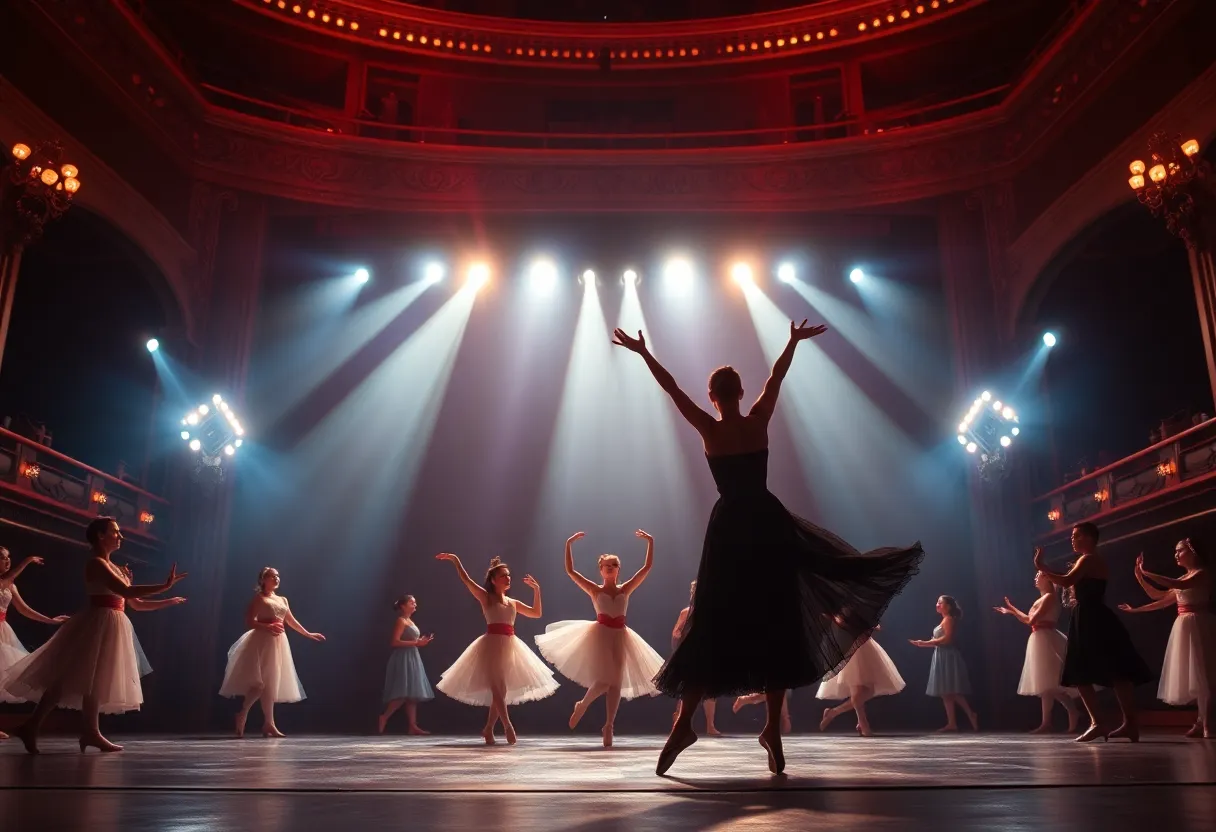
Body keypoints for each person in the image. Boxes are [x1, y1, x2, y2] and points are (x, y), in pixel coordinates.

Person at [613, 321, 924, 775]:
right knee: (777, 623)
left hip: (731, 531)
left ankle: (686, 724)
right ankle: (772, 730)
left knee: (713, 624)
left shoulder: (708, 428)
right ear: (740, 393)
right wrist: (792, 343)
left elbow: (673, 390)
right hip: (766, 522)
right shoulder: (757, 420)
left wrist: (644, 353)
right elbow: (776, 379)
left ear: (714, 397)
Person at [2, 517, 186, 753]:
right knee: (70, 677)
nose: (120, 536)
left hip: (113, 622)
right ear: (101, 535)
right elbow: (126, 591)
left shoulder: (115, 567)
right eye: (115, 532)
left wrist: (167, 601)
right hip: (98, 622)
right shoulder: (96, 563)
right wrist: (164, 586)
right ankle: (38, 726)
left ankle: (88, 732)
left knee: (95, 679)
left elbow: (136, 604)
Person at [535, 530, 665, 747]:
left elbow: (646, 568)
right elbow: (570, 571)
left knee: (615, 682)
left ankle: (609, 725)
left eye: (614, 565)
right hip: (601, 635)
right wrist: (568, 543)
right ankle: (583, 704)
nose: (611, 568)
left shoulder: (627, 588)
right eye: (607, 565)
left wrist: (651, 541)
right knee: (605, 680)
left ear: (618, 569)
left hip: (621, 636)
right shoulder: (594, 590)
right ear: (601, 570)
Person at [1035, 524, 1153, 742]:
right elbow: (1069, 580)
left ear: (1089, 538)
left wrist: (1042, 566)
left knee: (1086, 670)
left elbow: (1067, 580)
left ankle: (1101, 722)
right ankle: (1124, 723)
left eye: (1076, 536)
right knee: (1113, 671)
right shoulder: (1087, 560)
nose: (1073, 540)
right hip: (1092, 616)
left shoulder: (1088, 559)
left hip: (1091, 617)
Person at [434, 554, 558, 745]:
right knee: (497, 687)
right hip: (491, 645)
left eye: (508, 575)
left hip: (510, 644)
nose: (508, 578)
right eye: (503, 576)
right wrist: (455, 559)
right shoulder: (486, 598)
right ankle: (507, 725)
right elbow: (466, 580)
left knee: (502, 689)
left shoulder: (513, 602)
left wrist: (537, 590)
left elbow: (536, 613)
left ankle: (489, 728)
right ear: (493, 580)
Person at [1120, 539, 1215, 738]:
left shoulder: (1202, 573)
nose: (1176, 555)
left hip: (1199, 624)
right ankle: (1200, 721)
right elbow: (1159, 597)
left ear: (1192, 551)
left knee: (1204, 674)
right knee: (1195, 675)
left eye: (1180, 550)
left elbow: (1177, 584)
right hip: (1185, 625)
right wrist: (1140, 579)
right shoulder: (1185, 576)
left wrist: (1147, 573)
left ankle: (1208, 724)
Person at [219, 567, 325, 738]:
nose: (276, 579)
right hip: (262, 641)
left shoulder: (282, 599)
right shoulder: (259, 598)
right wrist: (267, 626)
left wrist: (308, 634)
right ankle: (244, 713)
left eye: (278, 576)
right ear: (263, 580)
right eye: (272, 576)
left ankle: (269, 724)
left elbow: (290, 621)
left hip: (278, 642)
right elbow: (250, 621)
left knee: (271, 683)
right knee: (259, 683)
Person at [994, 572, 1080, 733]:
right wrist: (1012, 611)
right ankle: (1047, 722)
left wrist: (1015, 612)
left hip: (1046, 638)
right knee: (1046, 685)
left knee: (1051, 683)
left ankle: (1069, 713)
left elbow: (1031, 620)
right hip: (1039, 637)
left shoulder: (1049, 596)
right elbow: (1029, 620)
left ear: (1047, 578)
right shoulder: (1043, 598)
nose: (1035, 578)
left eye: (1038, 575)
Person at [0, 549, 69, 739]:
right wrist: (27, 561)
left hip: (3, 630)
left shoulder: (10, 586)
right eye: (2, 558)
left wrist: (51, 621)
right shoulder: (5, 581)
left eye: (8, 557)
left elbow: (25, 610)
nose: (7, 561)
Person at [816, 625, 903, 736]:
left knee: (868, 691)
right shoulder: (846, 610)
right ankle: (863, 724)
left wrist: (870, 624)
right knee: (857, 690)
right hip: (853, 647)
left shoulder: (861, 609)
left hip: (865, 645)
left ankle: (834, 713)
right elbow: (840, 622)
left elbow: (877, 626)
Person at [910, 595, 979, 731]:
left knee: (950, 689)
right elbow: (939, 642)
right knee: (945, 691)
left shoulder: (949, 619)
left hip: (948, 656)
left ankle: (970, 714)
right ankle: (952, 723)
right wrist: (923, 644)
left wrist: (926, 642)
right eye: (937, 602)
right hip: (941, 655)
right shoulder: (944, 619)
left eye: (940, 603)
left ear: (948, 606)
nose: (937, 605)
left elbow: (947, 639)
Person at [378, 594, 435, 735]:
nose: (415, 605)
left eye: (415, 603)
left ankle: (412, 726)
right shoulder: (401, 621)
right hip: (403, 658)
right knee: (403, 691)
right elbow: (395, 642)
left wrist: (421, 641)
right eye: (412, 603)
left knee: (412, 694)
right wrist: (417, 642)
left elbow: (412, 640)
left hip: (412, 656)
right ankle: (384, 717)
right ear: (403, 606)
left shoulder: (410, 621)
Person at [670, 581, 721, 735]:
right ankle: (679, 723)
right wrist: (678, 638)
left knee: (710, 691)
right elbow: (676, 632)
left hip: (706, 654)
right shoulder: (686, 612)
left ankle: (710, 725)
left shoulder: (711, 612)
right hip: (690, 656)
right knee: (687, 690)